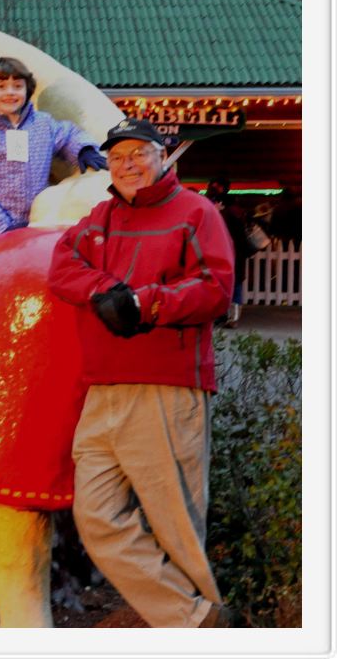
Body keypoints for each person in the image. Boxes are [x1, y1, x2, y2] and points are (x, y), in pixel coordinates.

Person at [47, 118, 238, 628]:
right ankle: (199, 621)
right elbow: (61, 264)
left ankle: (199, 628)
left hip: (165, 385)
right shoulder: (100, 218)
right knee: (97, 518)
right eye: (117, 156)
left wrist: (143, 303)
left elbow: (216, 287)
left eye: (138, 153)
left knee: (177, 524)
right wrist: (104, 290)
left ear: (162, 155)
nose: (127, 164)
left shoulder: (196, 212)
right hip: (101, 389)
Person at [0, 56, 106, 236]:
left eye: (17, 86)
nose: (10, 92)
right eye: (1, 87)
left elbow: (68, 135)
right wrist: (1, 226)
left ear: (27, 90)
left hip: (38, 225)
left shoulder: (42, 124)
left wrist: (84, 150)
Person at [206, 176, 251, 327]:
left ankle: (227, 316)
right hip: (237, 254)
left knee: (225, 284)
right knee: (236, 284)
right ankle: (233, 317)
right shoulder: (238, 213)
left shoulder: (223, 216)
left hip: (226, 253)